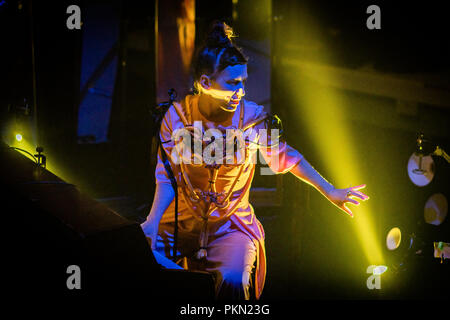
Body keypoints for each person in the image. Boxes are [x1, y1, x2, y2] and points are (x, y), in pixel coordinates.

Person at [141, 21, 369, 300]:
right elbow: (167, 176)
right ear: (205, 83)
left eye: (244, 82)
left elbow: (288, 158)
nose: (241, 92)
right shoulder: (176, 117)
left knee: (234, 281)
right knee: (141, 261)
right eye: (233, 84)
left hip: (231, 225)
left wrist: (330, 190)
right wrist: (153, 221)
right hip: (181, 221)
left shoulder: (253, 119)